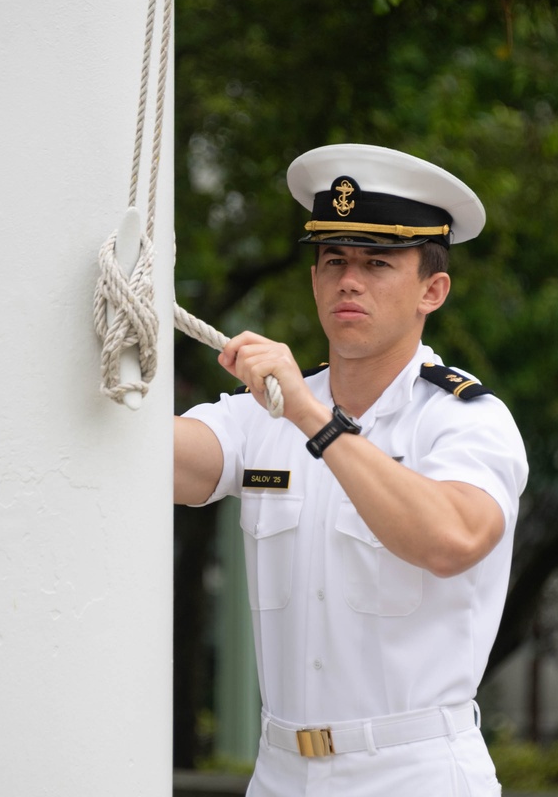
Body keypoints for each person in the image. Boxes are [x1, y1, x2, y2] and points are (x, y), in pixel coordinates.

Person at [174, 143, 528, 796]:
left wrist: (316, 419)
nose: (349, 280)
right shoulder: (269, 409)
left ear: (433, 289)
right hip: (280, 772)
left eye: (376, 262)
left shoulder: (464, 420)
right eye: (333, 260)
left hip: (413, 771)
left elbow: (450, 540)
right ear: (313, 278)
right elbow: (162, 466)